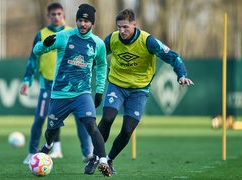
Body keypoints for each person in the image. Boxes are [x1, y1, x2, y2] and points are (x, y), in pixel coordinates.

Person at [84, 8, 195, 175]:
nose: (122, 31)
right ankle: (96, 158)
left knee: (128, 130)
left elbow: (173, 56)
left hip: (139, 90)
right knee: (107, 118)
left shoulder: (148, 41)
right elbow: (98, 58)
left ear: (135, 25)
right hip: (117, 86)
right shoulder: (112, 39)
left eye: (126, 27)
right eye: (119, 27)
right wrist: (84, 70)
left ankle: (110, 159)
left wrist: (182, 75)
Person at [34, 4, 112, 177]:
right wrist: (43, 45)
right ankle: (48, 145)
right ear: (76, 20)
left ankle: (103, 161)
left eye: (86, 21)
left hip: (82, 94)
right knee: (51, 131)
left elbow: (101, 66)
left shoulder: (98, 44)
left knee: (91, 125)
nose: (83, 24)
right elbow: (37, 50)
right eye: (80, 20)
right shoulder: (64, 36)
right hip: (60, 94)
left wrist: (99, 91)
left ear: (92, 23)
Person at [20, 2, 93, 164]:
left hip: (71, 86)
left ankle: (87, 153)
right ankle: (32, 153)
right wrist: (27, 80)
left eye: (59, 14)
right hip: (48, 85)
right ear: (49, 16)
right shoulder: (41, 34)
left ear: (64, 16)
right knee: (40, 118)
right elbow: (34, 58)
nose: (56, 17)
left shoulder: (72, 33)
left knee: (82, 119)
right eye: (53, 14)